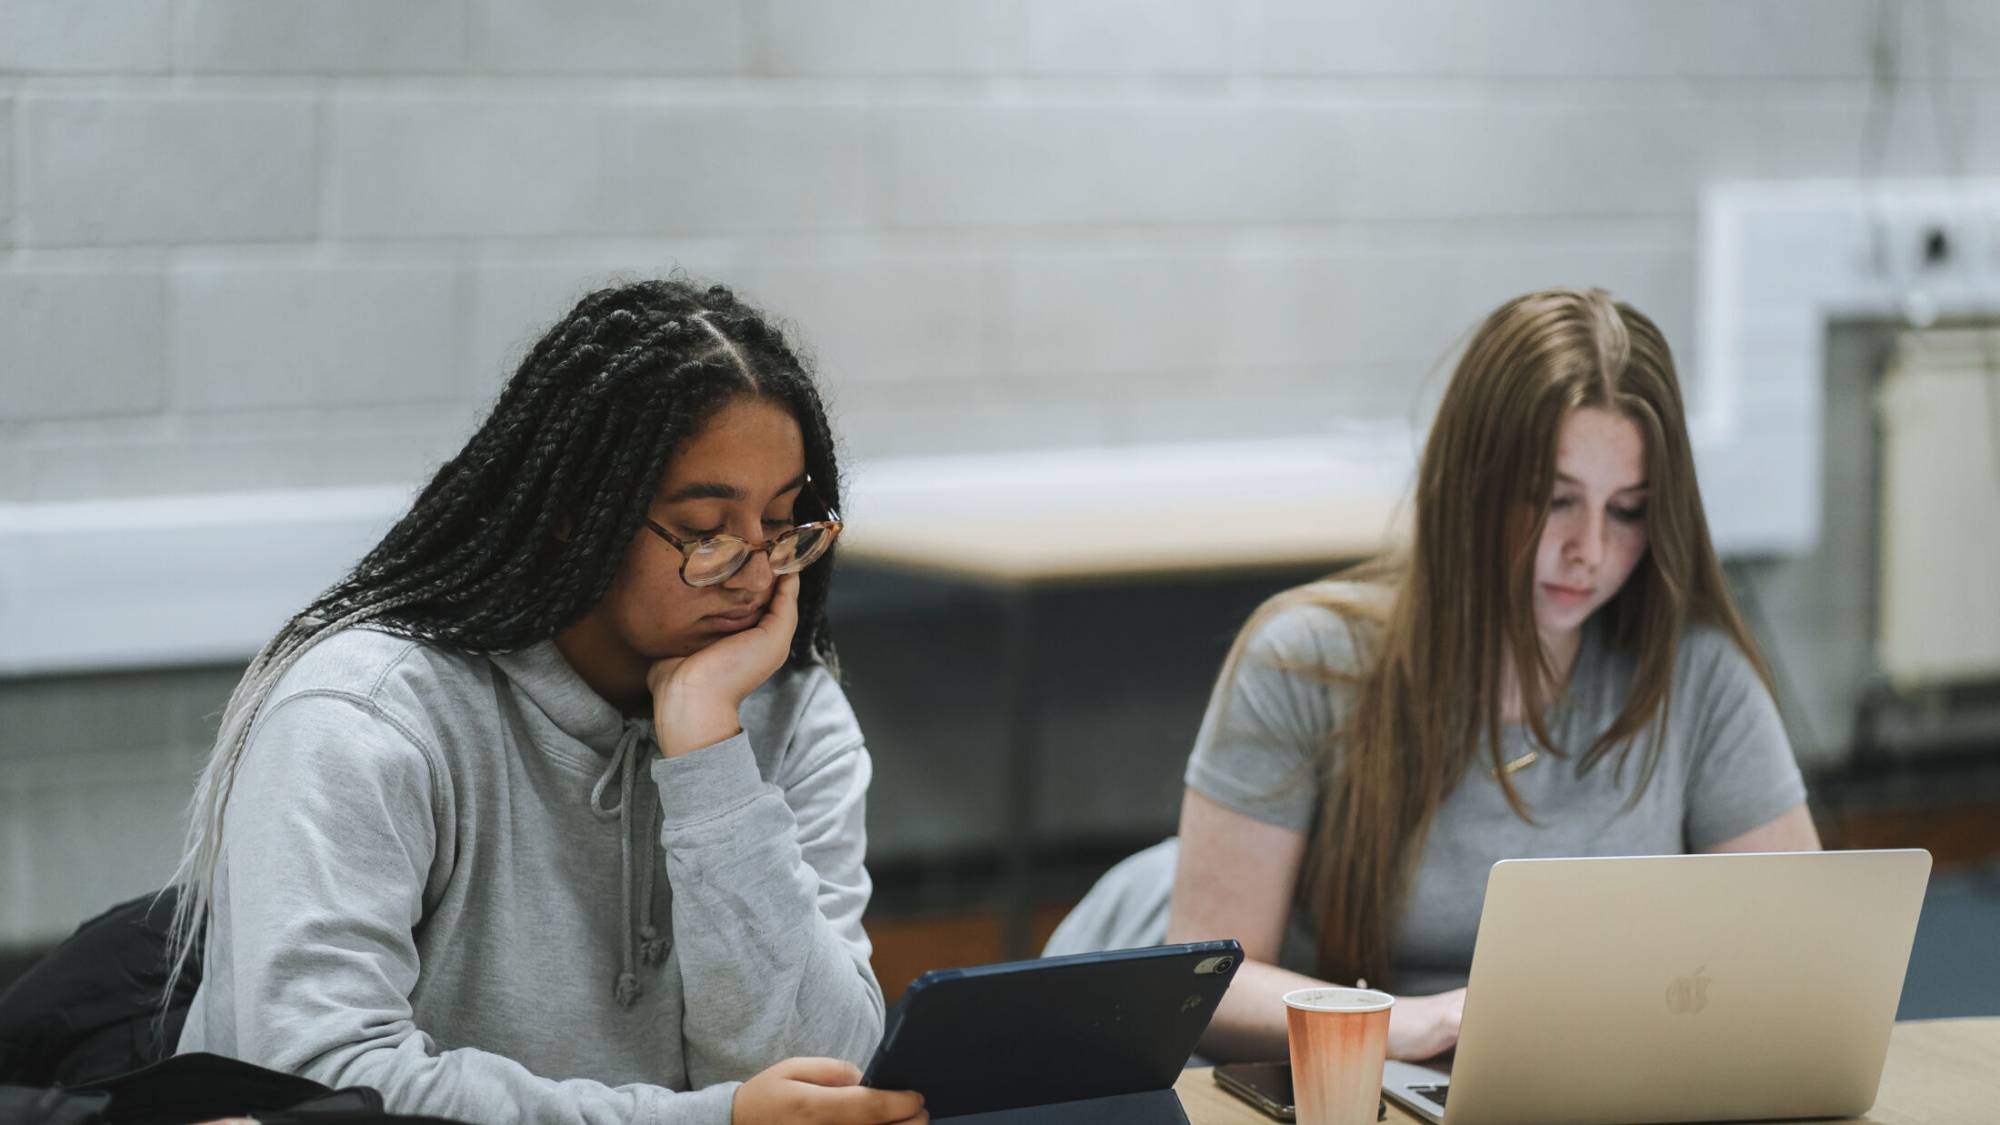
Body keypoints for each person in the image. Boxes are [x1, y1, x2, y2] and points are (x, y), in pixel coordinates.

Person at [167, 279, 927, 1125]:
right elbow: (318, 1086)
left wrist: (711, 763)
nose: (755, 574)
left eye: (784, 524)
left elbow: (817, 1075)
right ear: (578, 516)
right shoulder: (364, 717)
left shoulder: (786, 708)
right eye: (708, 532)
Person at [1044, 287, 1820, 1064]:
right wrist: (1409, 1023)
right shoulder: (1303, 660)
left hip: (1550, 1078)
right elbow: (1209, 984)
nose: (1590, 547)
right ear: (1471, 487)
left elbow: (1808, 964)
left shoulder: (1696, 675)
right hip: (1345, 1072)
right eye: (1556, 500)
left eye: (1627, 510)